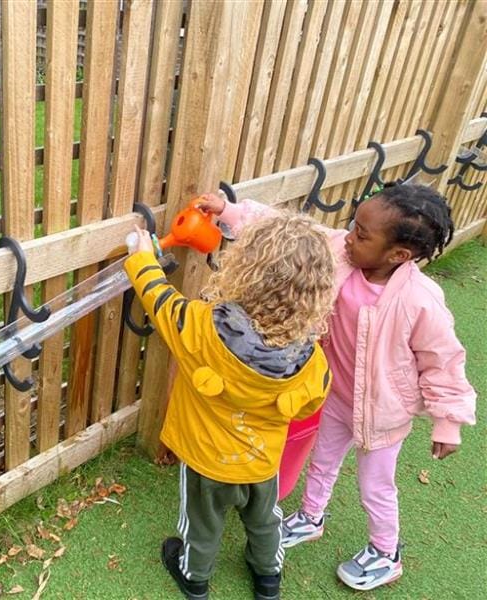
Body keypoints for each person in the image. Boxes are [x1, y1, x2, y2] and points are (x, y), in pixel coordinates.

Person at [198, 183, 477, 592]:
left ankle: (386, 552)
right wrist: (229, 211)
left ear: (398, 255)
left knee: (375, 486)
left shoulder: (421, 300)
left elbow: (443, 361)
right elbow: (287, 230)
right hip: (336, 396)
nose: (349, 236)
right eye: (353, 226)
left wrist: (448, 421)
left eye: (362, 234)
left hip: (383, 413)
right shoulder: (341, 254)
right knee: (322, 461)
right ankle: (311, 517)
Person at [125, 212, 337, 600]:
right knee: (264, 521)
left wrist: (141, 258)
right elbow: (310, 407)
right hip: (261, 463)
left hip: (206, 462)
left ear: (245, 269)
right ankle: (268, 577)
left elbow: (160, 300)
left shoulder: (202, 327)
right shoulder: (312, 361)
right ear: (315, 293)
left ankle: (194, 577)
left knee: (202, 525)